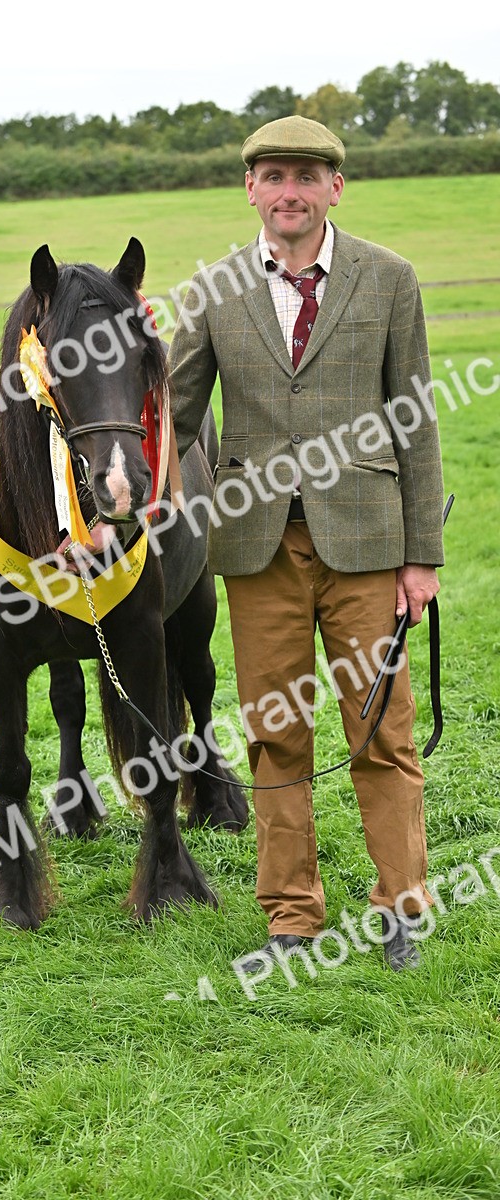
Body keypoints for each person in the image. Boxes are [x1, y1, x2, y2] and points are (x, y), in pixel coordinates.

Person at [166, 115, 445, 972]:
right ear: (250, 189)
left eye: (307, 176)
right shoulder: (210, 292)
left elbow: (417, 421)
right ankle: (291, 916)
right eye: (275, 176)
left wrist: (421, 556)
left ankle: (400, 906)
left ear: (335, 187)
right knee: (274, 738)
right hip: (257, 552)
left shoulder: (389, 279)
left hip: (368, 545)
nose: (291, 191)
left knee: (381, 732)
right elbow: (171, 419)